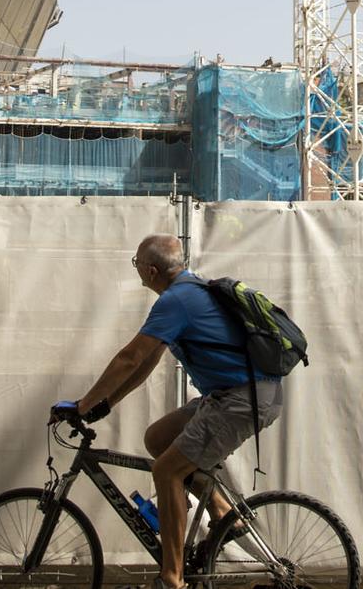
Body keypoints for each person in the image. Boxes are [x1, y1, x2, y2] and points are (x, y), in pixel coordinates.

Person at [56, 234, 282, 589]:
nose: (138, 272)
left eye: (137, 266)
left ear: (150, 270)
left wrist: (82, 406)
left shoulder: (177, 300)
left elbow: (129, 357)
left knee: (167, 471)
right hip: (233, 395)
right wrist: (106, 405)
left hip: (240, 399)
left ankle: (172, 578)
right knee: (158, 438)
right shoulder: (187, 291)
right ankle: (224, 514)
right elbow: (144, 364)